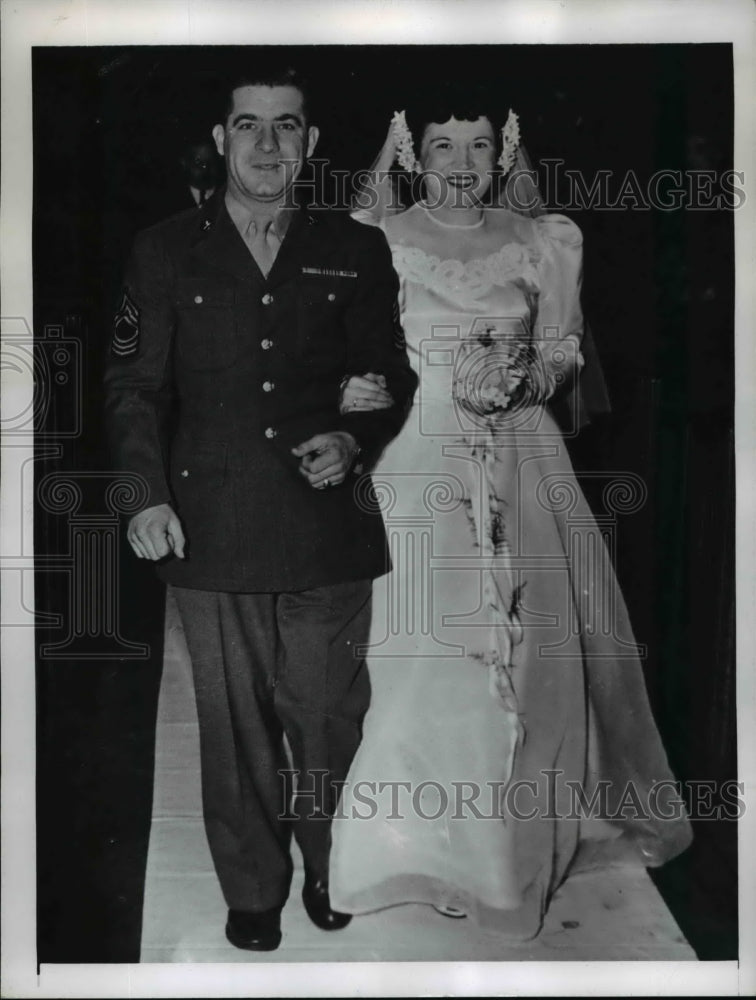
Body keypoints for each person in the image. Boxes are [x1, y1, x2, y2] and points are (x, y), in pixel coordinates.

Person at [328, 93, 693, 940]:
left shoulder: (545, 240)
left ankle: (505, 858)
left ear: (503, 154)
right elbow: (348, 348)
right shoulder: (374, 236)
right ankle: (411, 846)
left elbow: (563, 345)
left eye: (479, 145)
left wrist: (528, 381)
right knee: (424, 654)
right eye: (443, 144)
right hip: (415, 461)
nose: (462, 161)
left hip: (523, 455)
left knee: (528, 652)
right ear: (412, 153)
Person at [103, 64, 417, 952]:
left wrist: (359, 434)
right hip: (211, 525)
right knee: (234, 722)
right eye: (250, 126)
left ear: (311, 143)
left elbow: (390, 370)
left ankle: (330, 864)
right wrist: (143, 498)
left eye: (287, 127)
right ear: (222, 138)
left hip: (327, 524)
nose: (268, 145)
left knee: (325, 714)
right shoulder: (164, 249)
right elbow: (132, 387)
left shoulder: (355, 249)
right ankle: (252, 887)